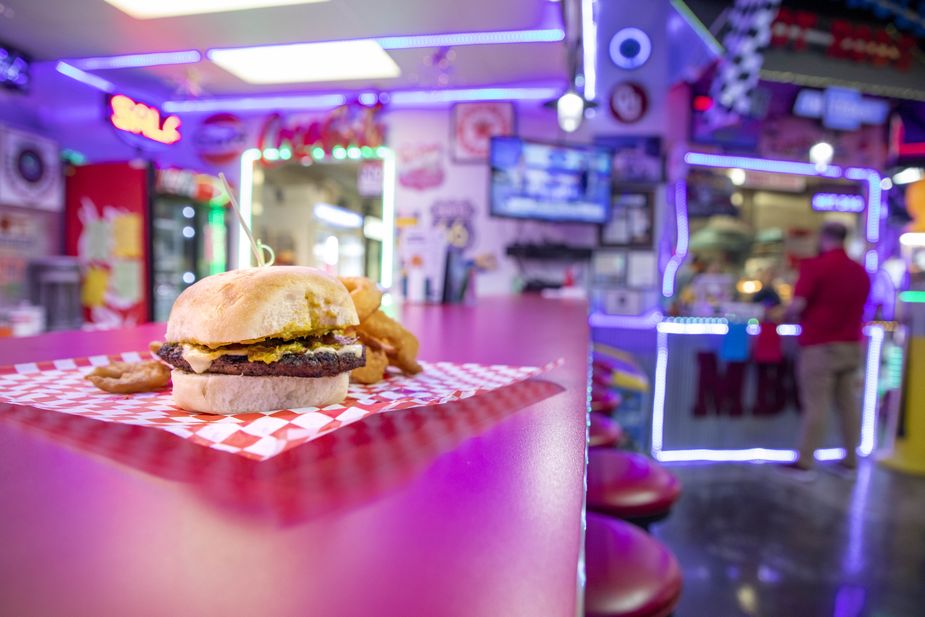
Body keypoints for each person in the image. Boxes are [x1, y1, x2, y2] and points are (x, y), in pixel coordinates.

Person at [784, 221, 870, 476]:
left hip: (820, 346)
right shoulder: (860, 271)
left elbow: (796, 306)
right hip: (852, 346)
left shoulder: (815, 267)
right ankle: (851, 461)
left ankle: (805, 463)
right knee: (848, 405)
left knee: (816, 405)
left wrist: (784, 316)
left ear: (823, 238)